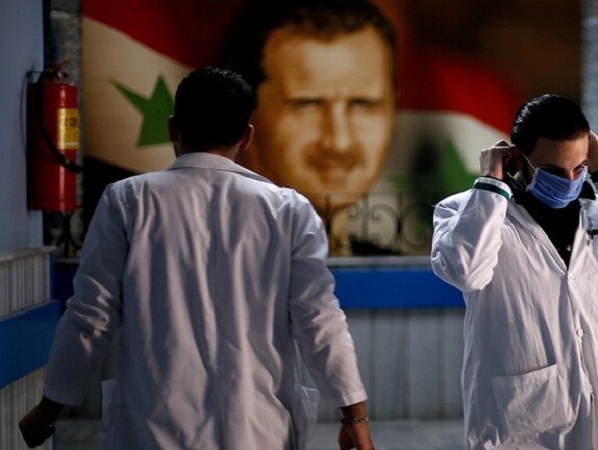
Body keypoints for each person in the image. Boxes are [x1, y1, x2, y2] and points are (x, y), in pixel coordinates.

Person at [18, 67, 374, 450]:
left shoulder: (129, 201)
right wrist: (353, 416)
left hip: (152, 431)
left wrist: (48, 409)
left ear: (173, 128)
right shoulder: (289, 210)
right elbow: (318, 318)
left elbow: (91, 315)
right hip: (258, 431)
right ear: (246, 136)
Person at [430, 94, 598, 449]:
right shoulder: (466, 212)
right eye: (553, 171)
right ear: (517, 158)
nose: (569, 180)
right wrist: (491, 182)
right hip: (521, 422)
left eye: (579, 168)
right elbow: (466, 271)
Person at [226, 0, 396, 254]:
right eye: (307, 104)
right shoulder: (193, 266)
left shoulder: (419, 274)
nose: (339, 142)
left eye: (362, 104)